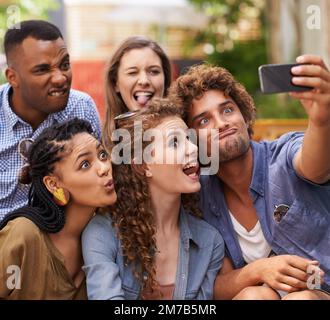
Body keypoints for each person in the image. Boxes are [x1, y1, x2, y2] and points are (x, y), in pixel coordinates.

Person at [169, 55, 330, 300]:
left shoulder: (283, 157)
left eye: (227, 110)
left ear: (244, 116)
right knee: (252, 297)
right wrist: (258, 270)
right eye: (204, 120)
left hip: (321, 289)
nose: (221, 123)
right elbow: (211, 288)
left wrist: (321, 121)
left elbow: (315, 165)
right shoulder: (199, 196)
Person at [82, 98, 224, 300]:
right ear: (143, 166)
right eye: (175, 142)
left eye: (189, 139)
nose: (193, 149)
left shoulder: (209, 242)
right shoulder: (103, 233)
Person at [0, 118, 117, 299]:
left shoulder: (105, 238)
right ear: (53, 184)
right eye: (85, 164)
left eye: (102, 155)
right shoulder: (24, 235)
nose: (104, 168)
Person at [0, 20, 101, 221]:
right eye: (42, 70)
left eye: (64, 65)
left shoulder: (81, 107)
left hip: (64, 234)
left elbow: (98, 181)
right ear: (13, 77)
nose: (60, 78)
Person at [103, 35, 172, 145]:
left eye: (154, 71)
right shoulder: (101, 147)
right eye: (132, 73)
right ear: (115, 83)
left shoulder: (185, 132)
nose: (144, 81)